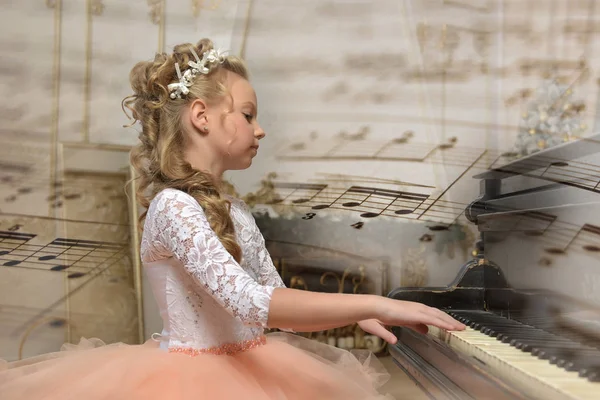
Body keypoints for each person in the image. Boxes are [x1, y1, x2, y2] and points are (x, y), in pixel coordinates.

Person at [0, 38, 465, 399]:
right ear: (201, 116)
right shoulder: (174, 206)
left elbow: (275, 304)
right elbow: (249, 303)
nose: (260, 128)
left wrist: (351, 316)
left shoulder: (234, 207)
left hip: (255, 365)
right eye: (247, 114)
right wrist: (372, 303)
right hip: (191, 379)